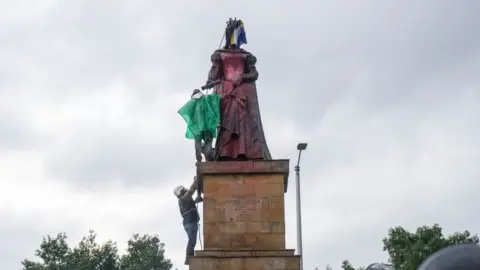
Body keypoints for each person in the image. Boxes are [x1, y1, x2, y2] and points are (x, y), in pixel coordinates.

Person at [204, 19, 272, 161]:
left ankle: (244, 152)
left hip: (243, 91)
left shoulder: (246, 56)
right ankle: (225, 152)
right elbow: (214, 72)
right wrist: (210, 81)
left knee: (243, 123)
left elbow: (254, 74)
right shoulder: (220, 54)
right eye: (232, 33)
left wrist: (243, 77)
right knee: (226, 122)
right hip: (226, 91)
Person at [173, 177, 203, 265]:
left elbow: (192, 203)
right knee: (192, 240)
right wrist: (196, 180)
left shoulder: (185, 200)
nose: (185, 190)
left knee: (192, 240)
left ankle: (190, 256)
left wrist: (198, 199)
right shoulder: (184, 198)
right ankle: (189, 257)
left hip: (190, 222)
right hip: (190, 223)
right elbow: (191, 190)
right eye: (184, 190)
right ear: (181, 192)